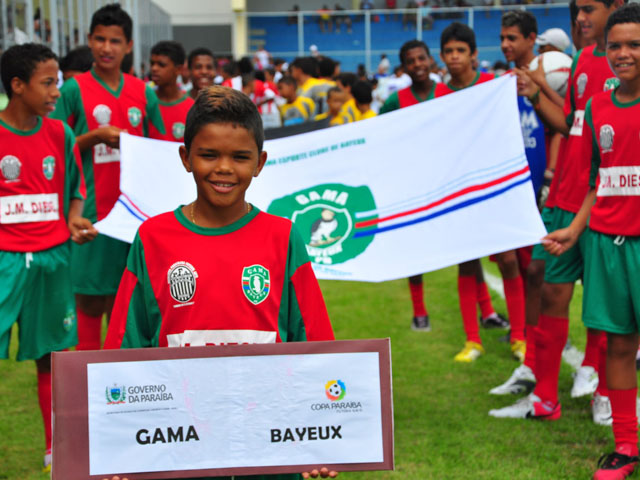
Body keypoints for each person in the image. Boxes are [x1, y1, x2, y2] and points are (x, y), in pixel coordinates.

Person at [104, 85, 337, 480]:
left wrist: (322, 443)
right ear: (186, 157)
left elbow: (314, 341)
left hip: (270, 444)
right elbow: (125, 348)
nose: (224, 168)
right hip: (176, 444)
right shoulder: (153, 238)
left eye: (240, 157)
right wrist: (118, 444)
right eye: (209, 155)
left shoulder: (283, 237)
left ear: (260, 162)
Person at [490, 0, 621, 422]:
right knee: (548, 289)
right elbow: (570, 124)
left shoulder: (628, 63)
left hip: (605, 198)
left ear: (615, 7)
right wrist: (533, 96)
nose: (580, 18)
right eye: (577, 10)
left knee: (604, 302)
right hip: (564, 197)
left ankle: (601, 386)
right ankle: (545, 399)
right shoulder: (581, 58)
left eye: (588, 9)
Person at [543, 6, 640, 477]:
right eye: (616, 45)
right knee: (619, 348)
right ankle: (625, 447)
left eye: (634, 45)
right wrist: (576, 228)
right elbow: (599, 180)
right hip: (606, 242)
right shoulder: (600, 104)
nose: (622, 54)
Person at [0, 43, 97, 473]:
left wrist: (74, 219)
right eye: (48, 82)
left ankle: (55, 449)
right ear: (17, 86)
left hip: (52, 257)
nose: (57, 90)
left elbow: (75, 189)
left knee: (54, 357)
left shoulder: (60, 134)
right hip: (4, 261)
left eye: (57, 80)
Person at [51, 3, 165, 352]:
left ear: (128, 46)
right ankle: (87, 380)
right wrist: (94, 137)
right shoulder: (73, 90)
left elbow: (159, 150)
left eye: (115, 41)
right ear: (89, 41)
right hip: (89, 213)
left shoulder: (143, 92)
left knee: (129, 301)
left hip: (133, 215)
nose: (106, 48)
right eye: (99, 39)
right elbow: (52, 151)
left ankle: (123, 387)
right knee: (88, 301)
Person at [433, 22, 512, 362]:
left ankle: (520, 338)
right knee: (467, 263)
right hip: (458, 191)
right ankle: (472, 340)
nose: (454, 57)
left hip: (496, 186)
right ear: (442, 56)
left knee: (509, 261)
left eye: (460, 51)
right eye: (448, 51)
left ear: (474, 54)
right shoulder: (438, 94)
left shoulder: (493, 86)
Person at [379, 40, 435, 331]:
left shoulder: (447, 94)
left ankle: (486, 312)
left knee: (469, 249)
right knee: (415, 250)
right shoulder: (395, 101)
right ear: (404, 67)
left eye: (421, 58)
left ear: (430, 59)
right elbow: (378, 135)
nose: (418, 65)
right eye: (411, 61)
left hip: (446, 181)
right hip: (412, 185)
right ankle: (419, 312)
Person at [148, 40, 194, 142]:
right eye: (152, 63)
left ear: (178, 69)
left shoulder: (192, 108)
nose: (154, 68)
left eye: (161, 65)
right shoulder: (144, 102)